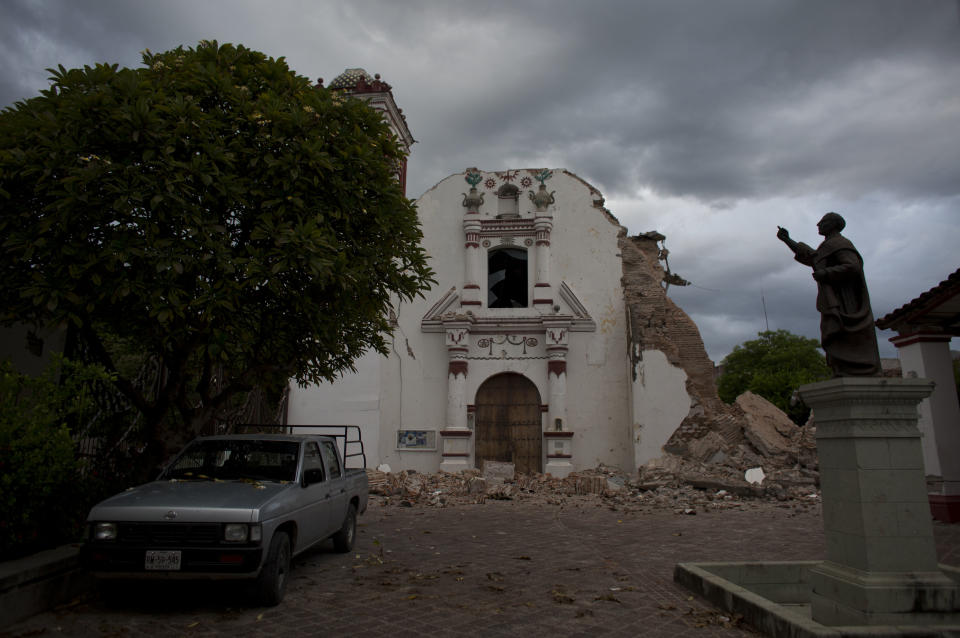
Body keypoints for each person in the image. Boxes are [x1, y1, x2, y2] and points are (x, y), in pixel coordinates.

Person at [777, 213, 881, 377]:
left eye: (822, 222)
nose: (818, 224)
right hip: (833, 298)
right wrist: (787, 240)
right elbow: (813, 257)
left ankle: (856, 368)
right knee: (832, 331)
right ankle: (842, 369)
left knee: (840, 329)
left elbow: (853, 266)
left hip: (846, 301)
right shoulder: (828, 245)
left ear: (832, 224)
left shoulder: (841, 243)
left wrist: (825, 273)